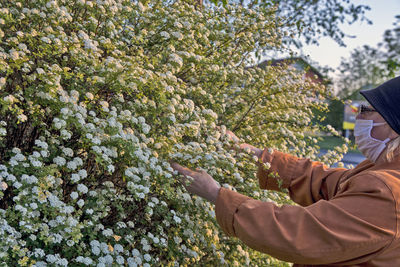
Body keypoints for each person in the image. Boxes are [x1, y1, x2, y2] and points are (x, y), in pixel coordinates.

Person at [171, 76, 400, 266]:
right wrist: (254, 153)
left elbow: (301, 234)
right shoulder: (383, 170)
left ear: (392, 126)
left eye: (368, 109)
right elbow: (324, 181)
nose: (359, 115)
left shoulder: (387, 192)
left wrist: (215, 193)